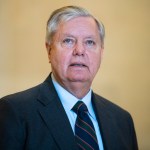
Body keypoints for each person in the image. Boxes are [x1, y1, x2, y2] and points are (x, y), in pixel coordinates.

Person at [0, 5, 138, 150]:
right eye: (68, 41)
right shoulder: (14, 112)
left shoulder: (122, 120)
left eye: (90, 42)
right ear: (49, 50)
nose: (79, 50)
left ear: (101, 53)